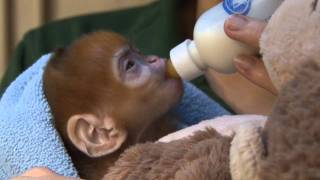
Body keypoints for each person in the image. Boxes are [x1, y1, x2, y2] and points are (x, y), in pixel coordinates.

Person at [13, 14, 272, 179]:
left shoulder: (201, 143)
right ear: (97, 133)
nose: (155, 58)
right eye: (130, 65)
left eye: (138, 54)